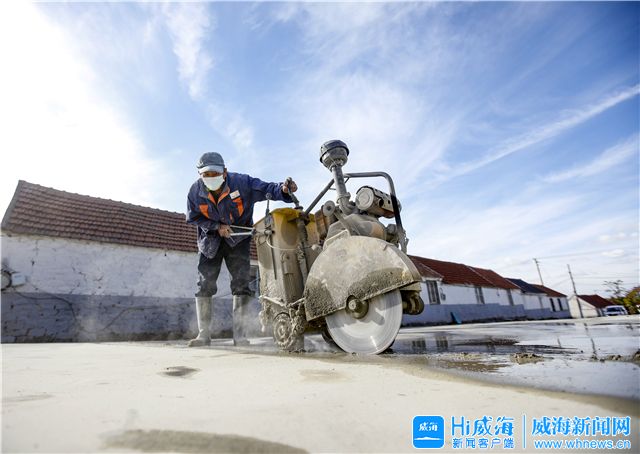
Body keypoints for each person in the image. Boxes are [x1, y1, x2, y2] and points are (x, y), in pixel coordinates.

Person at [186, 151, 297, 347]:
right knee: (204, 285)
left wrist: (284, 190)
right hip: (210, 242)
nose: (211, 177)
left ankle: (240, 336)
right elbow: (193, 217)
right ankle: (203, 335)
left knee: (241, 285)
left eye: (215, 173)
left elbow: (267, 189)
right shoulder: (195, 191)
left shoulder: (242, 183)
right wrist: (216, 227)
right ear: (199, 174)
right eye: (206, 174)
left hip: (237, 240)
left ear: (224, 172)